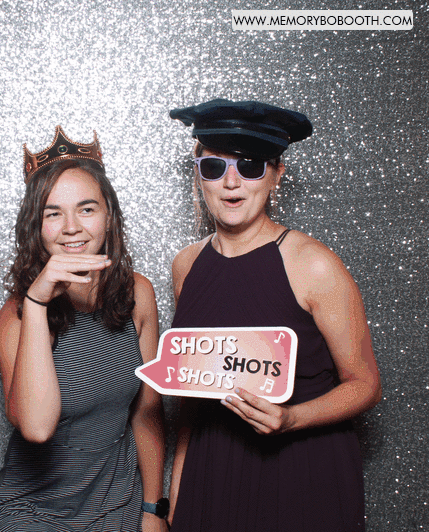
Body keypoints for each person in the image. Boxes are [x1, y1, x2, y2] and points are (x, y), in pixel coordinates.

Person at [167, 99, 381, 531]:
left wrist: (292, 418)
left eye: (250, 166)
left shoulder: (314, 265)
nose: (231, 183)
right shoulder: (186, 265)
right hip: (213, 469)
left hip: (302, 470)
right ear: (198, 174)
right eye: (214, 167)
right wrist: (179, 485)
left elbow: (365, 385)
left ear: (276, 174)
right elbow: (193, 391)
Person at [0, 127, 168, 531]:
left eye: (86, 209)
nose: (71, 227)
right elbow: (36, 427)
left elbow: (147, 413)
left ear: (109, 216)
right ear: (36, 226)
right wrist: (37, 303)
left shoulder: (138, 294)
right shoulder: (16, 314)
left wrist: (154, 509)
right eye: (53, 213)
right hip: (33, 516)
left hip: (117, 510)